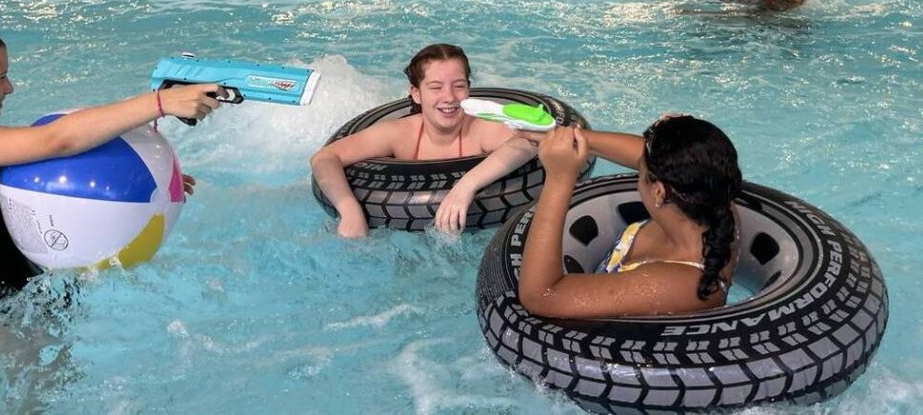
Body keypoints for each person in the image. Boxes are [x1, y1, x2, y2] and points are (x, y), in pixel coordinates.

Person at [0, 21, 225, 299]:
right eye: (1, 77)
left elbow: (58, 175)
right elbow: (58, 139)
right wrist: (161, 103)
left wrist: (143, 182)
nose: (9, 88)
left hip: (22, 309)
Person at [517, 115, 742, 318]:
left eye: (640, 172)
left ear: (659, 192)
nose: (637, 167)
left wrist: (559, 177)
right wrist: (574, 138)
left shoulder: (682, 284)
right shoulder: (713, 200)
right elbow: (644, 154)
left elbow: (541, 296)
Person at [310, 43, 537, 238]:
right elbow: (325, 157)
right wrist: (350, 210)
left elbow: (528, 143)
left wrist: (465, 186)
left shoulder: (479, 128)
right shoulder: (399, 134)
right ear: (416, 93)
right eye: (435, 87)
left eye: (459, 86)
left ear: (469, 89)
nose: (449, 97)